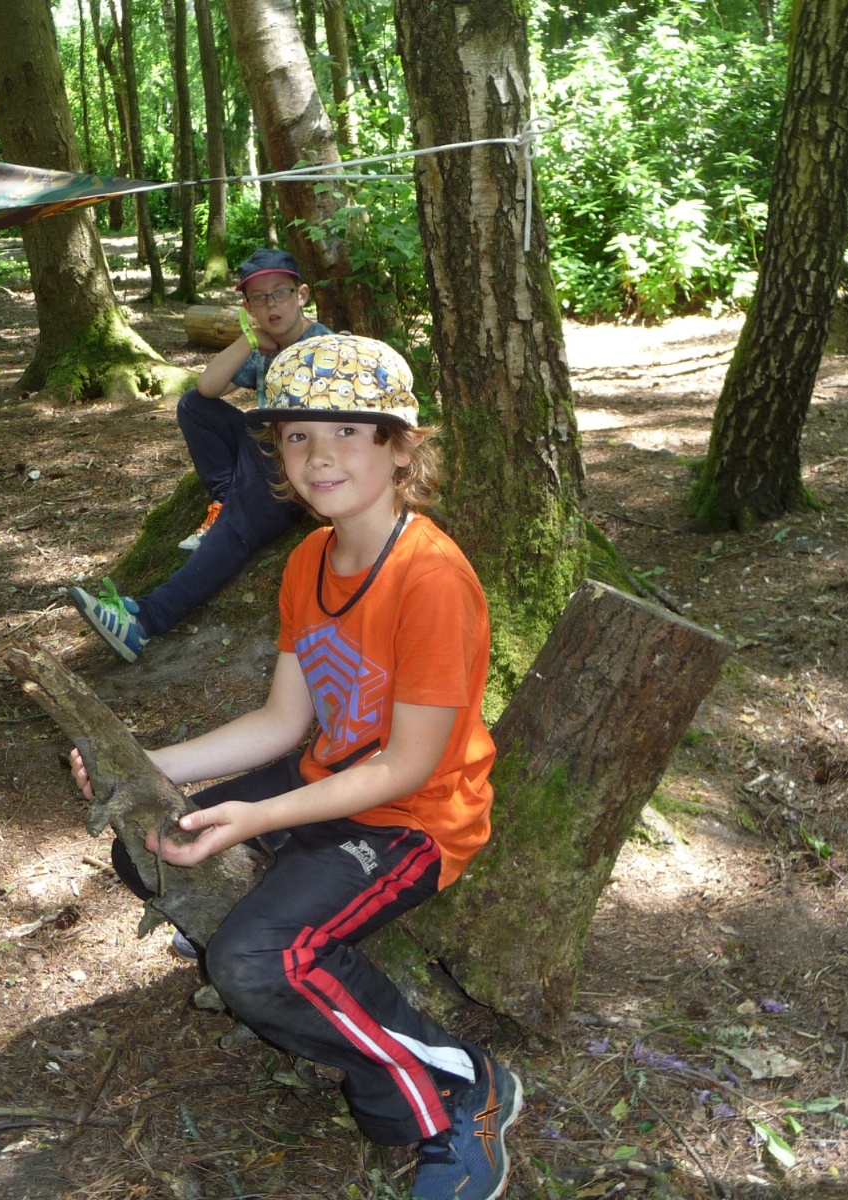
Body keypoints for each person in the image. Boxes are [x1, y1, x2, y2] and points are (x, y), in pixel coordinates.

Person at [69, 334, 521, 1200]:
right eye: (297, 436)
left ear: (400, 447)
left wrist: (260, 819)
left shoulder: (430, 578)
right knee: (147, 844)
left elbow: (406, 768)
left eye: (348, 431)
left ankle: (460, 1088)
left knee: (254, 961)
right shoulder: (309, 560)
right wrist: (141, 764)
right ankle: (285, 960)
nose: (320, 456)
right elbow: (281, 722)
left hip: (413, 819)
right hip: (322, 781)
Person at [69, 248, 330, 662]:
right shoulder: (263, 348)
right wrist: (249, 340)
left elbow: (324, 432)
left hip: (299, 473)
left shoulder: (321, 346)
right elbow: (208, 389)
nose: (271, 305)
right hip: (265, 453)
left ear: (301, 295)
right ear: (248, 308)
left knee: (239, 515)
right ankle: (226, 500)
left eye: (280, 293)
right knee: (193, 405)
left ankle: (144, 623)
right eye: (258, 298)